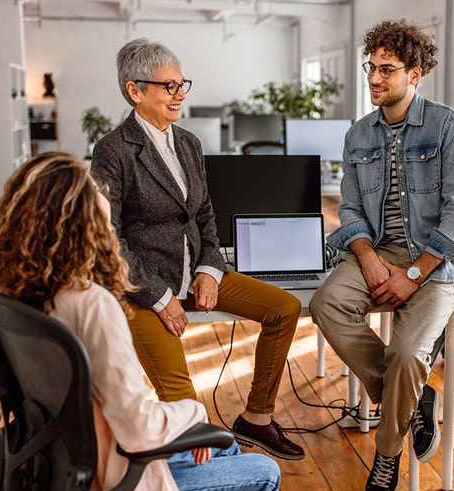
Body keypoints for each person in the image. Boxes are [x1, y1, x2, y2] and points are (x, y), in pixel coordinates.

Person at [0, 152, 280, 491]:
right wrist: (195, 411)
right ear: (83, 220)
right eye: (98, 194)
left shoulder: (21, 292)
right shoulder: (91, 304)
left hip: (63, 464)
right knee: (265, 473)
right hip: (117, 478)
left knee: (224, 445)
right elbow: (140, 430)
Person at [90, 38, 305, 461]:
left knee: (285, 308)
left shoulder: (188, 142)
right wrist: (160, 296)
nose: (180, 95)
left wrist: (210, 267)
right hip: (143, 287)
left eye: (181, 84)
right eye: (168, 86)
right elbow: (107, 239)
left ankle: (257, 419)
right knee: (188, 409)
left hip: (195, 271)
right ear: (135, 90)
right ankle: (207, 487)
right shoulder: (113, 150)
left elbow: (204, 213)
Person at [309, 19, 454, 491]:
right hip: (377, 252)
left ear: (415, 74)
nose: (374, 78)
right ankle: (412, 401)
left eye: (387, 69)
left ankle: (387, 450)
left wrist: (414, 273)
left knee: (407, 355)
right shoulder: (359, 134)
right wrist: (369, 258)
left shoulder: (447, 125)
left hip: (437, 261)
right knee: (326, 304)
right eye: (371, 67)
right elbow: (351, 208)